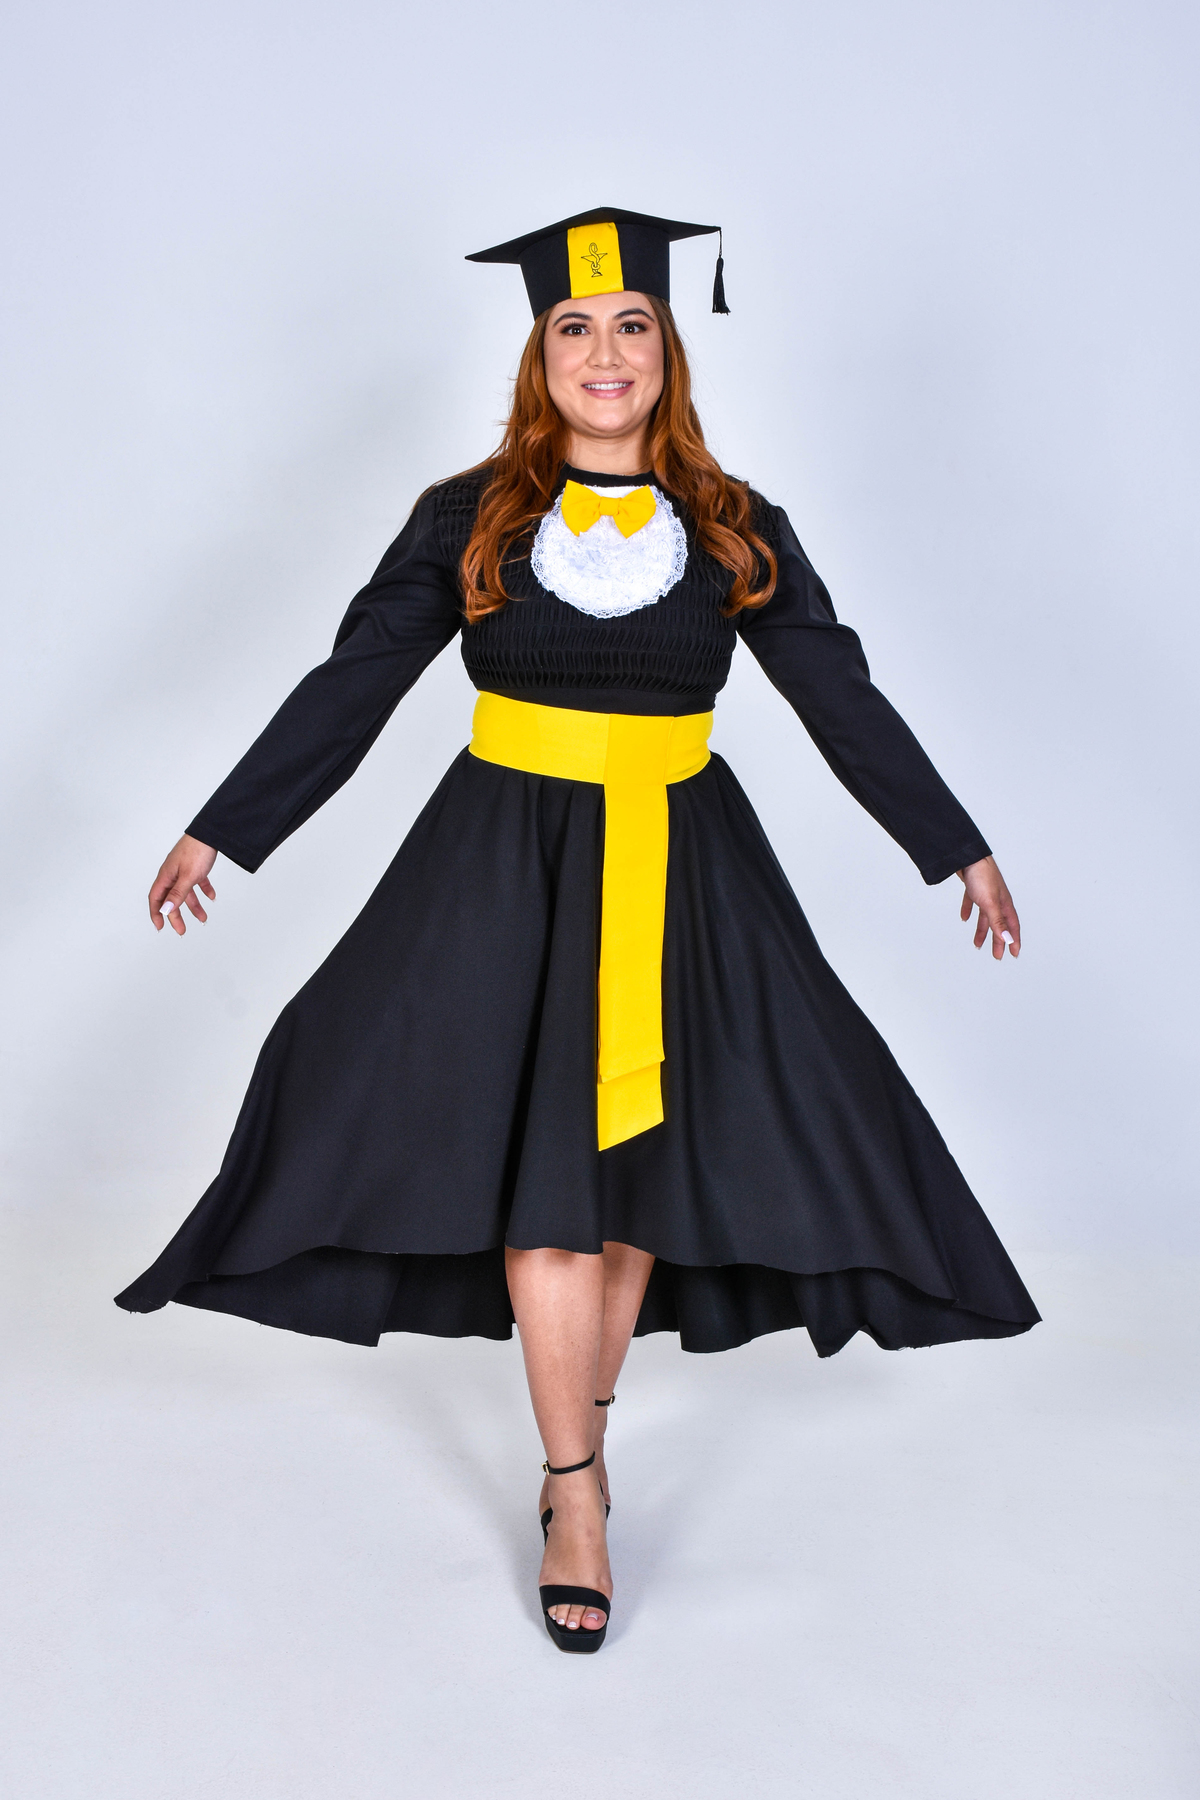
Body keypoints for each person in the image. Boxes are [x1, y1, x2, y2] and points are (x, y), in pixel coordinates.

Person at [117, 208, 1039, 1654]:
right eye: (574, 327)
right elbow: (354, 681)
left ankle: (583, 1440)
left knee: (634, 1180)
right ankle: (575, 1492)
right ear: (537, 354)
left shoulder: (736, 526)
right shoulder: (466, 518)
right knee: (543, 1180)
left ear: (668, 350)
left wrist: (954, 846)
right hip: (503, 865)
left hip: (685, 868)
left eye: (632, 326)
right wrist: (227, 825)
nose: (605, 353)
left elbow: (837, 695)